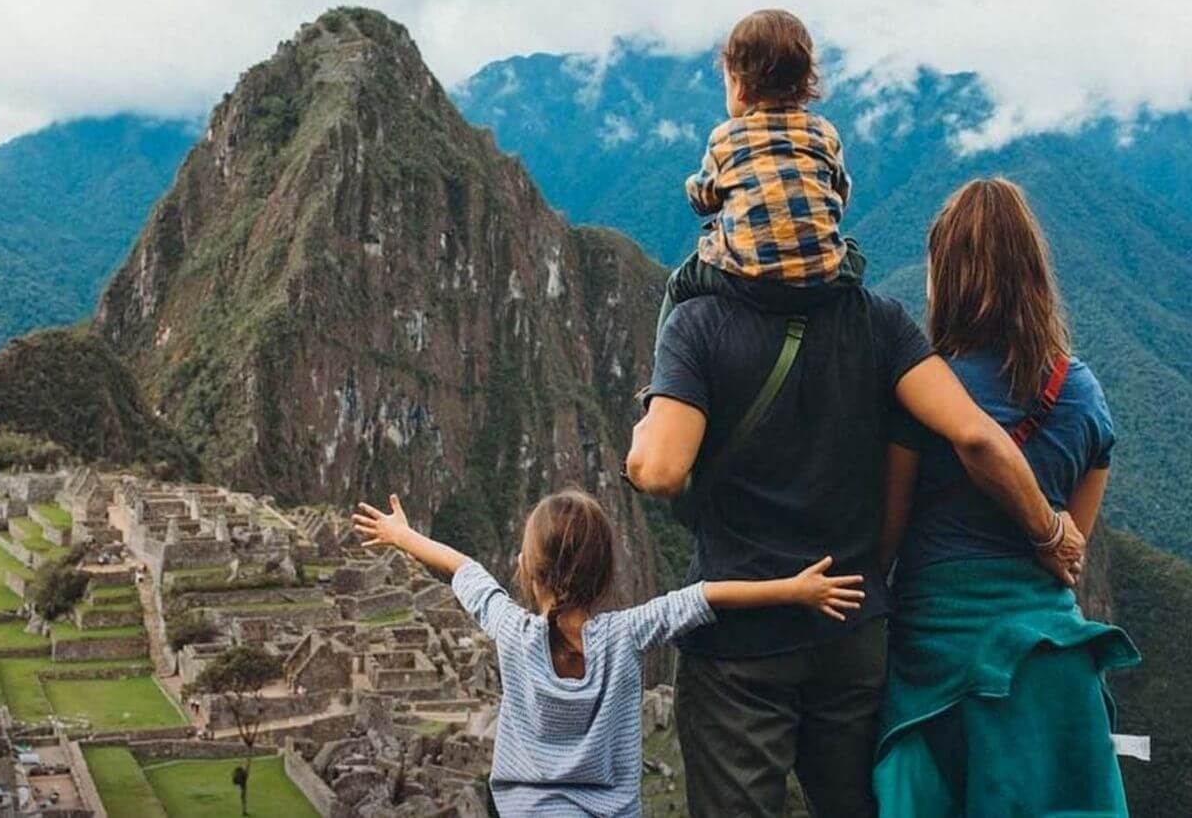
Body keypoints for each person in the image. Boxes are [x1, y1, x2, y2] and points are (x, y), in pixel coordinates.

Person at [626, 222, 1085, 815]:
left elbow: (660, 471)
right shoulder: (881, 321)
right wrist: (1047, 532)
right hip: (851, 631)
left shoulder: (697, 323)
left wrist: (643, 433)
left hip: (741, 645)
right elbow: (976, 435)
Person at [874, 178, 1140, 816]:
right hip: (1054, 673)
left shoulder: (924, 392)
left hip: (943, 672)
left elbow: (886, 540)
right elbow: (1071, 550)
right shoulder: (1084, 393)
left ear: (948, 276)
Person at [352, 487, 866, 817]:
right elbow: (706, 595)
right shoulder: (626, 634)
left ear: (528, 570)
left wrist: (401, 535)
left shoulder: (511, 630)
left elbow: (463, 569)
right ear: (604, 574)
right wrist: (794, 589)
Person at [654, 7, 865, 354]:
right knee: (853, 254)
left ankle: (660, 378)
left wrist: (694, 184)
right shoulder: (824, 133)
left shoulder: (726, 139)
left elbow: (703, 200)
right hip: (821, 282)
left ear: (739, 86)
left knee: (679, 282)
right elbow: (840, 193)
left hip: (750, 282)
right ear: (804, 83)